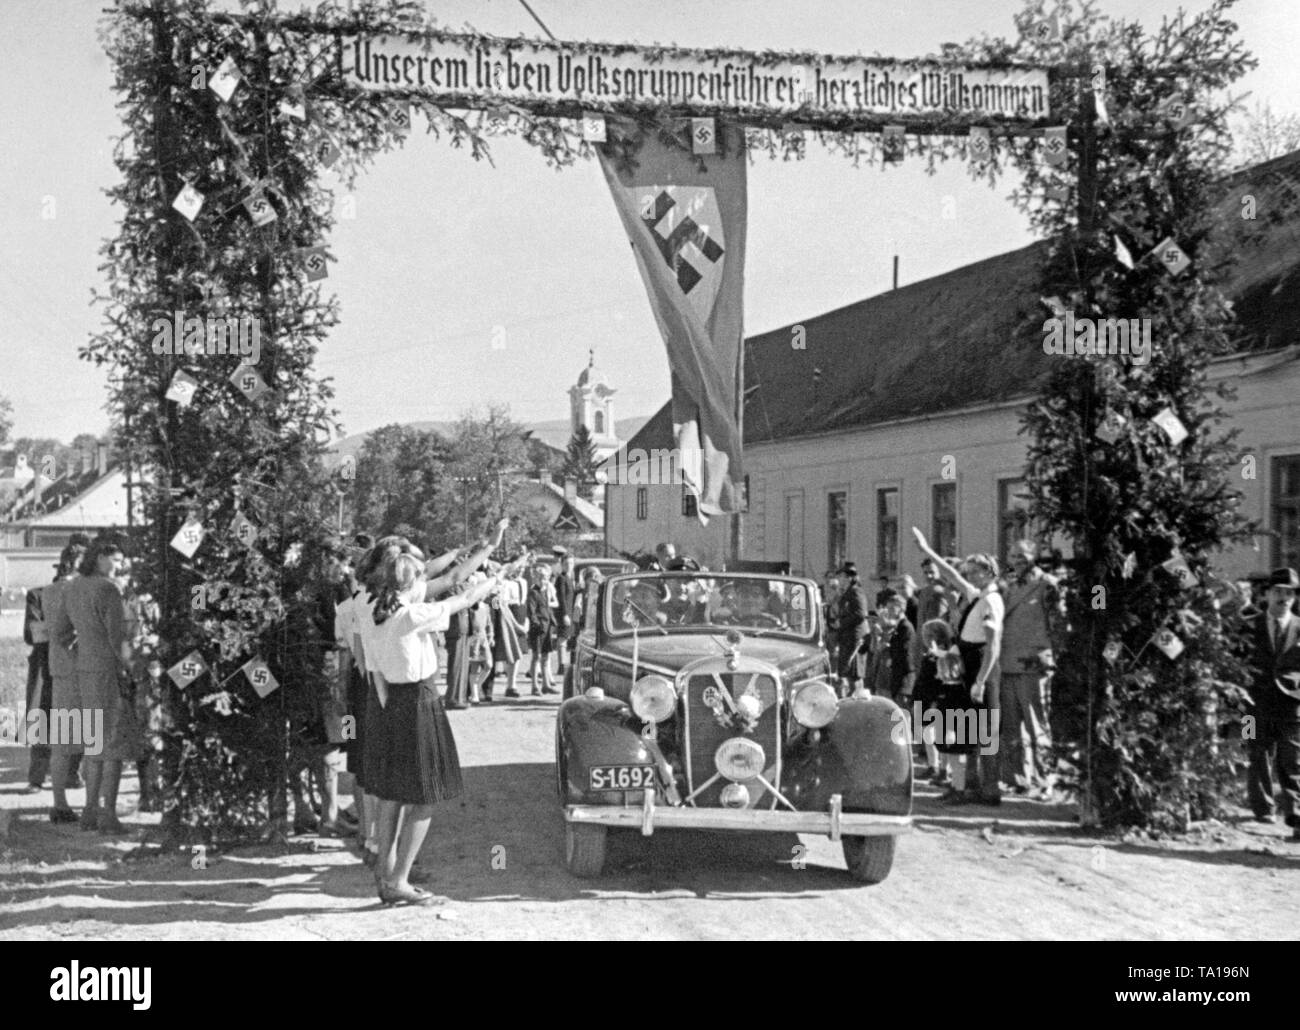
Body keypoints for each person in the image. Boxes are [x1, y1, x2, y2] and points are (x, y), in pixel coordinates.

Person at [366, 551, 501, 905]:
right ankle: (400, 881)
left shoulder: (372, 613)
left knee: (392, 794)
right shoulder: (412, 615)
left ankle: (385, 874)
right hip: (419, 700)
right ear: (411, 585)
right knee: (426, 796)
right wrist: (495, 579)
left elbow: (375, 672)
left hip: (390, 702)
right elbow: (465, 598)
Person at [912, 528, 1004, 806]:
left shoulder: (991, 600)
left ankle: (989, 790)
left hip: (981, 666)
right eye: (970, 572)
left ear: (989, 572)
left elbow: (993, 644)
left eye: (976, 572)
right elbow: (951, 575)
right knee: (967, 728)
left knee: (986, 731)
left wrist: (980, 680)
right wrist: (927, 550)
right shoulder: (977, 595)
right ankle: (966, 785)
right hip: (968, 662)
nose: (970, 576)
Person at [51, 537, 134, 834]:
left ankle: (89, 811)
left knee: (94, 742)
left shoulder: (72, 586)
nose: (120, 565)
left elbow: (59, 632)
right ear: (100, 558)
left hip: (84, 670)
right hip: (109, 672)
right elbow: (117, 638)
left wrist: (84, 647)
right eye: (116, 559)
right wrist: (131, 668)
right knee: (113, 745)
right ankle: (108, 815)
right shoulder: (108, 589)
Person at [999, 540, 1060, 796]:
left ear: (1033, 557)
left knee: (1038, 726)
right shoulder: (1009, 587)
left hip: (1034, 665)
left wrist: (1050, 656)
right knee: (1012, 728)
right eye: (1014, 556)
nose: (1018, 560)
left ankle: (1047, 781)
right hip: (1008, 663)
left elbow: (1058, 622)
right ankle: (1018, 779)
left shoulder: (1047, 584)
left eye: (1023, 556)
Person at [1244, 567, 1300, 839]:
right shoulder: (1247, 625)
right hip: (1252, 706)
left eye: (1289, 593)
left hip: (1293, 705)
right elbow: (1234, 662)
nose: (1284, 598)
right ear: (1267, 594)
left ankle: (1294, 811)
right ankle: (1262, 809)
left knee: (1293, 757)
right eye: (1278, 592)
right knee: (1255, 752)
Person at [915, 619, 962, 785]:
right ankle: (933, 766)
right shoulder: (930, 653)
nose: (926, 638)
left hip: (937, 698)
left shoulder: (945, 653)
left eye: (929, 635)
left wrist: (936, 699)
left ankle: (944, 770)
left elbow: (943, 677)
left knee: (943, 736)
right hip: (926, 698)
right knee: (929, 734)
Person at [836, 562, 869, 696]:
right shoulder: (848, 592)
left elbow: (861, 613)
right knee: (848, 673)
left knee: (854, 674)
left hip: (855, 638)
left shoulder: (856, 591)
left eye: (842, 577)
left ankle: (858, 700)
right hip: (848, 637)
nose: (840, 580)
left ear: (849, 577)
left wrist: (842, 623)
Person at [879, 591, 917, 705]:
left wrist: (892, 660)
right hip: (898, 674)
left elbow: (905, 652)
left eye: (892, 608)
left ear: (901, 609)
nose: (889, 611)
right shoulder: (899, 626)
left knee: (903, 710)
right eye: (888, 608)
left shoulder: (905, 627)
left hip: (903, 675)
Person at [526, 564, 558, 695]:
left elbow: (549, 607)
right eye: (541, 577)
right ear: (536, 578)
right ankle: (534, 686)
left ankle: (546, 684)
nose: (543, 580)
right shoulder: (533, 591)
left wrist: (552, 621)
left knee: (546, 656)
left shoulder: (545, 590)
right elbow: (531, 612)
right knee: (536, 656)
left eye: (546, 577)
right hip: (538, 629)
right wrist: (537, 624)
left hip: (547, 627)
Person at [553, 551, 576, 676]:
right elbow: (561, 597)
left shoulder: (570, 578)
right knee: (562, 638)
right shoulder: (561, 578)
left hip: (571, 612)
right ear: (562, 564)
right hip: (564, 613)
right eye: (566, 563)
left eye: (571, 563)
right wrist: (565, 614)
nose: (569, 565)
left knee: (567, 637)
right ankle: (561, 665)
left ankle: (565, 664)